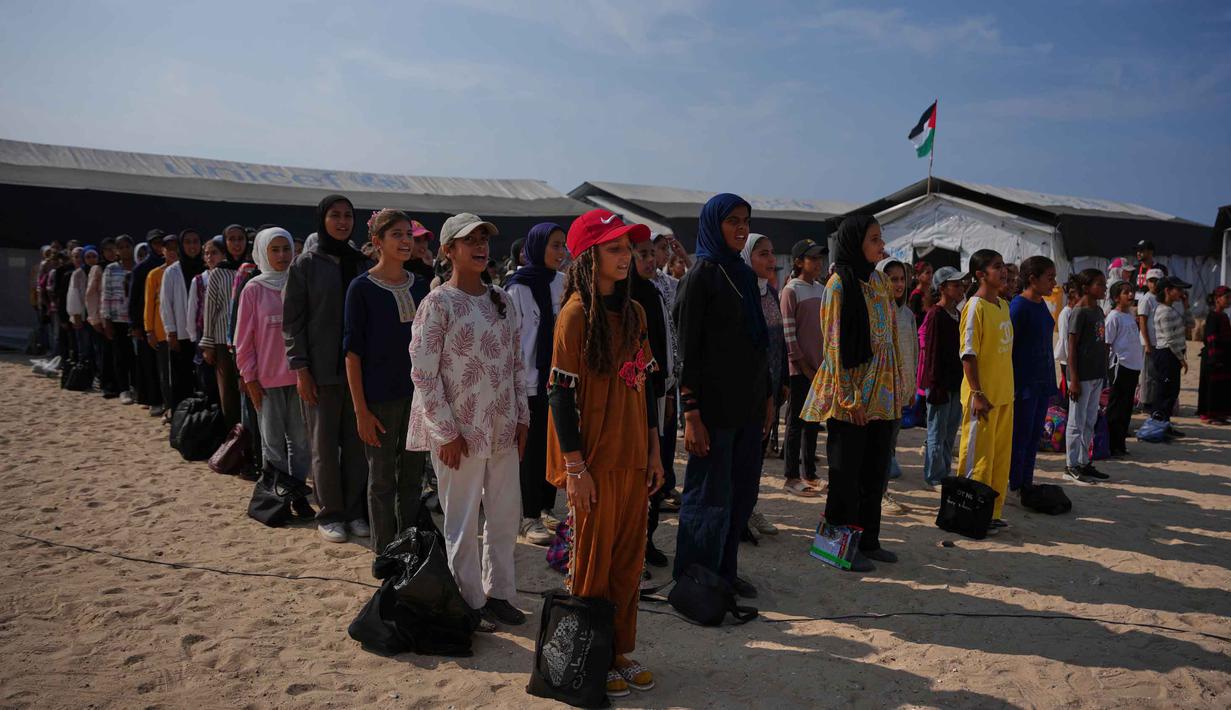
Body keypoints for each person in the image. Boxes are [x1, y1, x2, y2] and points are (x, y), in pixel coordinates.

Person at [546, 209, 664, 697]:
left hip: (635, 458)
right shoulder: (574, 315)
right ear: (589, 254)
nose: (625, 256)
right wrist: (576, 468)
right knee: (591, 564)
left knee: (627, 563)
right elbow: (558, 396)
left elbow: (646, 389)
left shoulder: (636, 313)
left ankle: (618, 651)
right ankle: (591, 657)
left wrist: (656, 454)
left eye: (627, 248)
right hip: (593, 462)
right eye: (614, 248)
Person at [408, 212, 529, 629]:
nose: (480, 246)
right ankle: (470, 600)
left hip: (501, 427)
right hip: (458, 431)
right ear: (448, 251)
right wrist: (444, 431)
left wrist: (522, 418)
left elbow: (517, 362)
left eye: (483, 238)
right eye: (469, 240)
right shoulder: (437, 303)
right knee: (461, 519)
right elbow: (423, 373)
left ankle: (500, 594)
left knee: (504, 514)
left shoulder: (502, 300)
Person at [672, 193, 772, 597]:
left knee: (741, 495)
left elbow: (757, 345)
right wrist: (691, 414)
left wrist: (766, 399)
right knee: (708, 496)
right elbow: (687, 353)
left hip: (747, 408)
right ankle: (697, 579)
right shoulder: (699, 277)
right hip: (712, 411)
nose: (741, 227)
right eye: (732, 220)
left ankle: (725, 572)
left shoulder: (745, 275)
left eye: (745, 220)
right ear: (714, 224)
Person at [800, 215, 905, 571]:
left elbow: (889, 340)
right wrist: (850, 399)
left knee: (874, 474)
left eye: (881, 238)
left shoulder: (878, 282)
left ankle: (867, 541)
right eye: (874, 239)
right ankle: (836, 548)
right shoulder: (838, 286)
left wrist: (897, 390)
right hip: (853, 400)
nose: (882, 245)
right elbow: (833, 348)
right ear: (854, 242)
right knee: (845, 476)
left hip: (882, 397)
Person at [283, 195, 372, 544]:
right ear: (323, 219)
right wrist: (301, 368)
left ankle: (354, 511)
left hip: (358, 371)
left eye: (348, 215)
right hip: (319, 371)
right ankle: (331, 514)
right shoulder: (305, 264)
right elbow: (292, 322)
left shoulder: (362, 263)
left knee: (356, 445)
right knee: (323, 444)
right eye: (335, 215)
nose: (342, 221)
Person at [343, 209, 429, 555]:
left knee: (412, 478)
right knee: (381, 480)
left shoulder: (421, 285)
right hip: (378, 399)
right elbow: (352, 354)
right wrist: (360, 410)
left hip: (417, 398)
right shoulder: (361, 288)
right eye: (397, 234)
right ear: (377, 242)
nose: (406, 240)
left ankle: (408, 549)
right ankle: (384, 553)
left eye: (409, 234)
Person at [235, 228, 314, 517]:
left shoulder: (299, 282)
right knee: (273, 444)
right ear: (263, 252)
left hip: (299, 379)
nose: (282, 256)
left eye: (286, 249)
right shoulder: (253, 289)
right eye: (275, 250)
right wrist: (250, 378)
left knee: (301, 442)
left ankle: (298, 495)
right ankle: (276, 497)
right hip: (266, 382)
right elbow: (243, 340)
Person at [505, 223, 568, 547]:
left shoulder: (564, 284)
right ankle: (528, 516)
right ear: (537, 246)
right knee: (530, 452)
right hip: (529, 382)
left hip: (558, 382)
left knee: (553, 448)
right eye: (554, 245)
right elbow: (514, 340)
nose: (561, 252)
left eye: (563, 246)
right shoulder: (516, 288)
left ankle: (545, 506)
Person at [956, 249, 1015, 532]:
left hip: (1004, 395)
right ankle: (968, 516)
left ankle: (991, 513)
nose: (1002, 271)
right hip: (983, 399)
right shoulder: (975, 307)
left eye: (1003, 266)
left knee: (1000, 459)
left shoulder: (1003, 305)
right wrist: (977, 394)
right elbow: (968, 354)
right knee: (978, 459)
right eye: (996, 267)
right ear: (981, 274)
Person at [741, 234, 787, 538]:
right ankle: (738, 514)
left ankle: (750, 508)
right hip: (746, 389)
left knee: (757, 454)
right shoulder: (742, 295)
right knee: (742, 455)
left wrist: (781, 382)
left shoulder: (770, 294)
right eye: (762, 254)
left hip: (769, 387)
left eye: (772, 254)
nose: (771, 260)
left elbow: (779, 341)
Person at [1007, 256, 1059, 495]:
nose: (1054, 283)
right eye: (1050, 278)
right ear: (1032, 279)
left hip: (1041, 383)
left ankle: (1026, 482)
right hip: (1024, 384)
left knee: (1033, 437)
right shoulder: (1018, 307)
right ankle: (1016, 483)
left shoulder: (1041, 305)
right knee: (1020, 437)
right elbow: (1008, 348)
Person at [780, 238, 827, 497]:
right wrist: (804, 366)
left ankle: (810, 473)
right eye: (813, 258)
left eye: (820, 258)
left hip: (821, 369)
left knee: (813, 422)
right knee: (796, 423)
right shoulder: (791, 290)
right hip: (800, 370)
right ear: (799, 262)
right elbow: (789, 335)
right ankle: (790, 476)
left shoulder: (822, 290)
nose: (818, 263)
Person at [918, 266, 966, 487]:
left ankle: (944, 471)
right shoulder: (936, 315)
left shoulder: (957, 314)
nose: (961, 288)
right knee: (936, 432)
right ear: (943, 288)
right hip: (939, 384)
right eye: (955, 284)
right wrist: (935, 386)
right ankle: (934, 475)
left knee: (949, 432)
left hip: (955, 382)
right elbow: (932, 353)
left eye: (961, 284)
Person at [200, 225, 249, 428]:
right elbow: (210, 310)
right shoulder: (218, 273)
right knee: (228, 394)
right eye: (232, 239)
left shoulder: (252, 268)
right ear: (225, 243)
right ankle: (233, 441)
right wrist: (208, 344)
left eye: (240, 239)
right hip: (222, 342)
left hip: (249, 340)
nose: (236, 244)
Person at [877, 257, 915, 514]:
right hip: (881, 394)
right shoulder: (877, 312)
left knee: (890, 445)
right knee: (880, 447)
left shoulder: (908, 313)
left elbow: (913, 350)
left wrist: (911, 389)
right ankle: (880, 494)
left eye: (902, 279)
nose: (898, 284)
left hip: (901, 392)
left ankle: (881, 491)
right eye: (892, 279)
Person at [1064, 269, 1110, 483]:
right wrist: (1073, 379)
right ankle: (1071, 464)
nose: (1104, 287)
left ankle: (1084, 461)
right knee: (1076, 420)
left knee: (1090, 419)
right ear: (1086, 287)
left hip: (1096, 374)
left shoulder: (1098, 310)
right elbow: (1071, 347)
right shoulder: (1079, 312)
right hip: (1080, 376)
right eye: (1099, 284)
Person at [160, 229, 206, 409]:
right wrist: (171, 332)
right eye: (188, 242)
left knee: (202, 376)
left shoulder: (207, 268)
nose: (192, 246)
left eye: (196, 241)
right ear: (181, 245)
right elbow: (166, 304)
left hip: (203, 333)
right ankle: (181, 413)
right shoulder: (172, 272)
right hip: (181, 333)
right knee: (182, 375)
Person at [1105, 281, 1145, 452]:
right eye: (1125, 292)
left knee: (1127, 406)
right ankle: (1111, 444)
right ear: (1116, 298)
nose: (1130, 295)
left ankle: (1120, 443)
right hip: (1120, 366)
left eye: (1131, 292)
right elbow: (1107, 343)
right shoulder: (1113, 317)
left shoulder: (1129, 316)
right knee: (1116, 406)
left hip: (1133, 367)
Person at [1150, 275, 1192, 432]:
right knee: (1165, 393)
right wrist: (1182, 360)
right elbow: (1170, 340)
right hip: (1167, 354)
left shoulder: (1172, 309)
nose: (1181, 292)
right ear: (1168, 290)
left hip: (1172, 355)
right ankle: (1157, 426)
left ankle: (1165, 424)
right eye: (1179, 289)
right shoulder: (1164, 312)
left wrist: (1186, 305)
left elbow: (1191, 324)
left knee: (1172, 391)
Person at [130, 230, 166, 410]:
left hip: (164, 324)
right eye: (155, 243)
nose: (159, 246)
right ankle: (153, 400)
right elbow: (135, 299)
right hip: (147, 323)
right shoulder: (142, 268)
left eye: (162, 242)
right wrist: (136, 325)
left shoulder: (170, 265)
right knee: (148, 364)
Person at [187, 236, 224, 404]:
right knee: (207, 379)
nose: (210, 257)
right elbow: (192, 310)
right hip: (204, 335)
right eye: (207, 253)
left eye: (214, 253)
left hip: (224, 334)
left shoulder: (230, 276)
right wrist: (196, 339)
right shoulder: (199, 280)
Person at [145, 234, 178, 418]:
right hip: (161, 330)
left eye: (175, 248)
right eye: (168, 248)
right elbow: (149, 304)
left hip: (183, 331)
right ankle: (168, 405)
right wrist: (149, 329)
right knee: (166, 372)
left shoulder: (187, 271)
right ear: (162, 251)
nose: (172, 252)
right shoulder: (155, 274)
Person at [102, 235, 137, 404]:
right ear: (117, 250)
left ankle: (137, 387)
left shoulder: (139, 267)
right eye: (120, 247)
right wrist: (106, 320)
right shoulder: (110, 269)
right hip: (117, 319)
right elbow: (106, 294)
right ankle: (124, 389)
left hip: (136, 319)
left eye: (127, 246)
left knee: (135, 356)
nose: (124, 250)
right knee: (120, 355)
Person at [87, 239, 118, 397]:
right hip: (103, 316)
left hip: (119, 316)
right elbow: (91, 295)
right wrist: (95, 319)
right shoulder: (98, 269)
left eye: (113, 249)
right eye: (107, 250)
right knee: (105, 353)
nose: (111, 253)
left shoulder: (121, 267)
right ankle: (108, 385)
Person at [1197, 286, 1231, 425]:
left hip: (1224, 357)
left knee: (1222, 386)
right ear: (1217, 299)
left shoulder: (1224, 316)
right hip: (1214, 357)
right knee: (1212, 387)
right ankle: (1210, 414)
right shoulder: (1213, 316)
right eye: (1226, 297)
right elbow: (1211, 338)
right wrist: (1214, 358)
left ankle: (1220, 414)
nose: (1229, 301)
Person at [1136, 268, 1165, 411]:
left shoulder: (1161, 298)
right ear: (1147, 282)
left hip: (1160, 341)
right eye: (1152, 281)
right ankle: (1147, 403)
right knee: (1148, 374)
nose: (1155, 284)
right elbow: (1142, 321)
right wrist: (1147, 344)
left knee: (1157, 374)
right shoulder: (1146, 299)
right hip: (1149, 342)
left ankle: (1155, 400)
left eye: (1157, 281)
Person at [1053, 279, 1079, 396]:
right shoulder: (1066, 313)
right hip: (1068, 360)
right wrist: (1070, 360)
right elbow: (1065, 339)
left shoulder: (1076, 311)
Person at [908, 260, 934, 329]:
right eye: (927, 273)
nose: (931, 275)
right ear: (918, 275)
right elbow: (914, 321)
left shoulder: (930, 292)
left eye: (932, 272)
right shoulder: (916, 296)